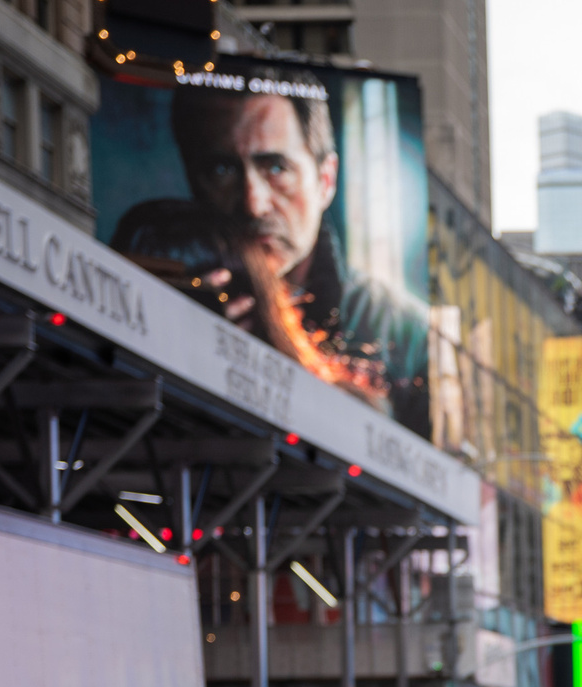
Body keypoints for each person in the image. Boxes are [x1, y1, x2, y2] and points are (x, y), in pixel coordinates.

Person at [111, 79, 428, 429]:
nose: (254, 203)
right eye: (222, 170)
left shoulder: (407, 332)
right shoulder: (160, 280)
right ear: (193, 179)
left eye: (276, 168)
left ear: (326, 179)